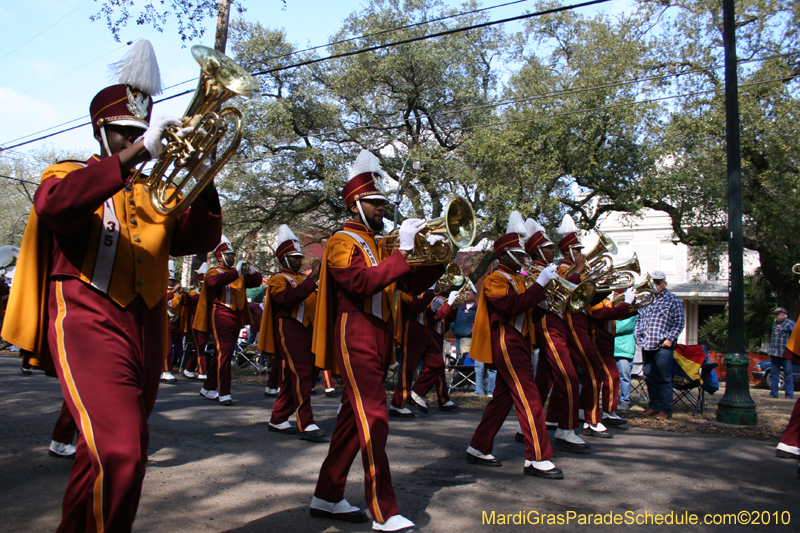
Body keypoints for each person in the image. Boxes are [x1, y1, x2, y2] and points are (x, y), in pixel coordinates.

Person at [0, 40, 222, 532]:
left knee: (101, 455)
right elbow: (55, 208)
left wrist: (202, 172)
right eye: (124, 133)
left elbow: (199, 238)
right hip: (87, 318)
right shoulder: (69, 173)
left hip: (145, 328)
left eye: (140, 133)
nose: (133, 141)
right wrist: (140, 152)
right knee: (122, 452)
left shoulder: (154, 192)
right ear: (102, 131)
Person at [311, 150, 443, 533]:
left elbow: (409, 285)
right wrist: (401, 250)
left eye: (383, 202)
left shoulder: (378, 242)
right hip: (354, 333)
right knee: (375, 418)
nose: (381, 208)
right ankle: (383, 511)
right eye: (375, 202)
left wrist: (433, 257)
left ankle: (327, 494)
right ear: (356, 203)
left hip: (381, 334)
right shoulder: (341, 239)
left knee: (355, 422)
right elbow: (359, 283)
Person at [466, 211, 563, 479]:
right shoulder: (495, 278)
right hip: (506, 340)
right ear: (504, 254)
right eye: (519, 254)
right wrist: (539, 286)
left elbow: (526, 307)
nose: (524, 259)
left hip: (518, 340)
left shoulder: (518, 276)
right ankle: (537, 457)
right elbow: (510, 306)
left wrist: (541, 302)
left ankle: (478, 446)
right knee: (530, 397)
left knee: (503, 398)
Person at [526, 217, 589, 453]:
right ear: (538, 251)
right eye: (549, 247)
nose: (554, 250)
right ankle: (566, 430)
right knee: (569, 377)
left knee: (543, 381)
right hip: (547, 324)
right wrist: (579, 273)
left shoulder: (548, 268)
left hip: (557, 323)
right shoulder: (533, 270)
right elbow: (550, 294)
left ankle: (526, 428)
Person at [259, 224, 325, 439]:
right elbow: (287, 299)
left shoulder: (303, 280)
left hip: (307, 331)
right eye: (295, 257)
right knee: (302, 373)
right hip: (289, 329)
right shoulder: (278, 280)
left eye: (300, 257)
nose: (300, 260)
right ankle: (306, 422)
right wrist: (312, 278)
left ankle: (278, 418)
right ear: (284, 259)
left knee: (302, 374)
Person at [555, 214, 610, 438]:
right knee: (593, 369)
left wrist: (601, 287)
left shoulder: (577, 269)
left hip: (581, 321)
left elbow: (588, 300)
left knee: (561, 376)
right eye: (578, 249)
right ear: (569, 251)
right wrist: (578, 271)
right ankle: (591, 419)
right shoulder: (560, 268)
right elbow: (566, 292)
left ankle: (559, 417)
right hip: (571, 322)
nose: (583, 254)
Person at [194, 237, 262, 405]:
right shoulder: (213, 272)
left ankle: (208, 388)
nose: (232, 257)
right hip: (220, 313)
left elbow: (255, 283)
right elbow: (213, 283)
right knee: (223, 351)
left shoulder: (237, 275)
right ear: (220, 257)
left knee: (223, 353)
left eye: (233, 255)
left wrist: (253, 272)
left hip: (236, 315)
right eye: (229, 255)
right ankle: (224, 391)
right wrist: (236, 272)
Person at [634, 270, 686, 420]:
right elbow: (639, 319)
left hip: (663, 346)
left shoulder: (673, 299)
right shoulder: (646, 299)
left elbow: (679, 322)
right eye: (653, 282)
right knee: (649, 377)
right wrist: (637, 336)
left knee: (664, 378)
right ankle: (654, 406)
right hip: (647, 344)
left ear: (665, 283)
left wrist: (670, 339)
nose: (655, 285)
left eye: (658, 282)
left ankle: (665, 409)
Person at [768, 307, 796, 399]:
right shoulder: (775, 324)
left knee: (788, 374)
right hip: (774, 353)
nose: (776, 316)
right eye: (775, 315)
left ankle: (789, 394)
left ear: (783, 315)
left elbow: (796, 336)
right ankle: (773, 393)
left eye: (777, 315)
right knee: (774, 375)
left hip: (785, 353)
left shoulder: (790, 324)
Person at [614, 314, 638, 410]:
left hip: (624, 351)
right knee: (612, 378)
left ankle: (624, 401)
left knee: (624, 377)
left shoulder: (632, 315)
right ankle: (612, 401)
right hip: (613, 349)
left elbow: (618, 328)